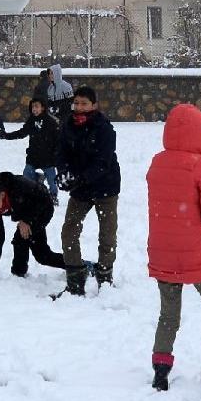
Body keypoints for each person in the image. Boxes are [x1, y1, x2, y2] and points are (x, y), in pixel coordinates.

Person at [146, 104, 201, 391]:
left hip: (161, 251)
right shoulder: (199, 166)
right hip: (194, 253)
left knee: (168, 315)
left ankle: (160, 372)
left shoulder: (157, 162)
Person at [56, 86, 120, 297]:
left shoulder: (104, 129)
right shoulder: (68, 126)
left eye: (84, 103)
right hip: (80, 189)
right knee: (69, 231)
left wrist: (80, 178)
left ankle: (105, 277)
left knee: (107, 234)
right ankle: (75, 277)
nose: (80, 107)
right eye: (77, 103)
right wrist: (63, 174)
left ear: (94, 105)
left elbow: (103, 162)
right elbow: (61, 153)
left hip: (105, 187)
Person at [0, 172, 66, 279]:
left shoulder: (18, 186)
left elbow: (43, 200)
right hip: (27, 212)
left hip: (43, 207)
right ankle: (78, 265)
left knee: (21, 239)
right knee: (43, 256)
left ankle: (18, 275)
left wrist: (26, 220)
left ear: (2, 195)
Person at [1, 98, 61, 205]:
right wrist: (6, 135)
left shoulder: (51, 122)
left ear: (42, 108)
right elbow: (22, 133)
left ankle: (53, 196)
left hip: (48, 157)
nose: (34, 109)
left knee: (52, 180)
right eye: (33, 106)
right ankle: (34, 188)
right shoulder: (31, 120)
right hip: (33, 155)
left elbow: (58, 140)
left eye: (37, 106)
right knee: (26, 176)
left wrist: (56, 154)